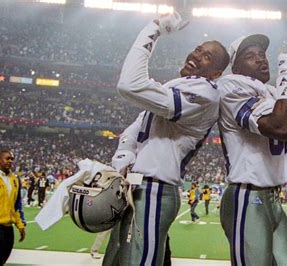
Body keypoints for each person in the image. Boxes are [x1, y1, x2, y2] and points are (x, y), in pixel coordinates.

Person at [103, 12, 230, 265]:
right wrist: (124, 157)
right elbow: (133, 130)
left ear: (216, 74)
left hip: (155, 190)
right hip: (135, 188)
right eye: (197, 49)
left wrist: (154, 28)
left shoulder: (206, 93)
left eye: (207, 56)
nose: (196, 55)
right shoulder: (177, 84)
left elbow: (129, 84)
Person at [217, 34, 287, 265]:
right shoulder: (231, 84)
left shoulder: (271, 92)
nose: (260, 59)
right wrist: (286, 74)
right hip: (248, 195)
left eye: (262, 54)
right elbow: (284, 128)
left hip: (273, 197)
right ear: (235, 67)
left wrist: (280, 99)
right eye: (250, 56)